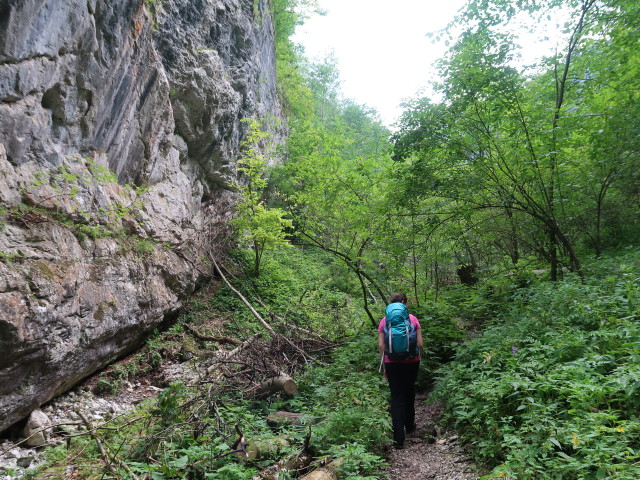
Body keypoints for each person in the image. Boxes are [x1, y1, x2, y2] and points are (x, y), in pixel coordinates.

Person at [378, 293, 423, 449]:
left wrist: (385, 368)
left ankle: (398, 438)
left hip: (392, 363)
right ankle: (410, 426)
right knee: (409, 391)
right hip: (412, 361)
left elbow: (381, 347)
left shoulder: (385, 321)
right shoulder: (413, 319)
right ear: (404, 303)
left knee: (396, 396)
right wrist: (419, 357)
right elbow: (420, 343)